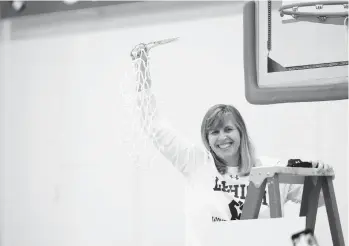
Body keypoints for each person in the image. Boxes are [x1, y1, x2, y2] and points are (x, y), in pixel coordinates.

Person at [129, 43, 333, 245]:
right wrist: (141, 70)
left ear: (241, 132)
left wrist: (320, 176)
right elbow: (154, 126)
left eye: (228, 129)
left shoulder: (270, 170)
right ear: (206, 139)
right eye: (214, 132)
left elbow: (320, 201)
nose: (222, 138)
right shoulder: (196, 163)